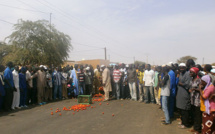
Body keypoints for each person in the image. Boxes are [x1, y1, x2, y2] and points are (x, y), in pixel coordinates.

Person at [176, 63, 192, 129]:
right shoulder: (181, 74)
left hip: (185, 93)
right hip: (180, 93)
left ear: (185, 68)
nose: (181, 69)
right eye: (180, 68)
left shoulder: (187, 74)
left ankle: (186, 123)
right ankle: (183, 121)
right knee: (181, 109)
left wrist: (181, 84)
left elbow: (188, 85)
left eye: (183, 68)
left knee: (185, 109)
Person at [188, 67, 202, 133]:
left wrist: (194, 89)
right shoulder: (192, 79)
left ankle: (198, 129)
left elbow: (201, 89)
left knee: (198, 115)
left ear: (195, 72)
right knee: (194, 114)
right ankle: (195, 127)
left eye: (191, 72)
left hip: (197, 100)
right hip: (193, 100)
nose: (190, 73)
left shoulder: (199, 80)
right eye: (190, 72)